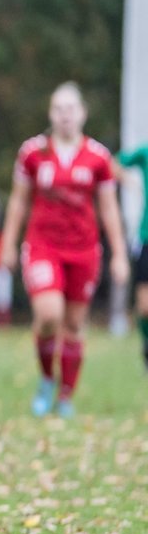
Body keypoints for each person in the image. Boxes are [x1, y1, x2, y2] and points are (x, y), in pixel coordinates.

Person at [0, 83, 129, 417]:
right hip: (43, 246)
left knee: (73, 323)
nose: (65, 115)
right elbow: (18, 201)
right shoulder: (33, 153)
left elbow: (109, 208)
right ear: (51, 114)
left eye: (71, 109)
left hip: (84, 250)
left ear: (83, 114)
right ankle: (46, 379)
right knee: (48, 315)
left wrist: (119, 254)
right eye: (59, 109)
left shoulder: (98, 157)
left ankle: (66, 396)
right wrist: (7, 244)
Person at [119, 142, 148, 369]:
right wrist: (128, 181)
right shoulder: (144, 152)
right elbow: (109, 164)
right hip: (146, 239)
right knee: (145, 306)